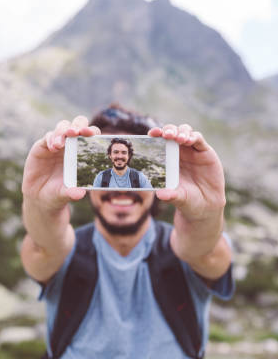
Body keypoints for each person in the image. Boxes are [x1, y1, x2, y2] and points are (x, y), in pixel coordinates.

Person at [21, 104, 234, 359]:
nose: (121, 190)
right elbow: (43, 246)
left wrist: (206, 213)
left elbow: (205, 251)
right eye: (107, 160)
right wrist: (38, 203)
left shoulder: (183, 248)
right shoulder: (66, 250)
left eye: (138, 163)